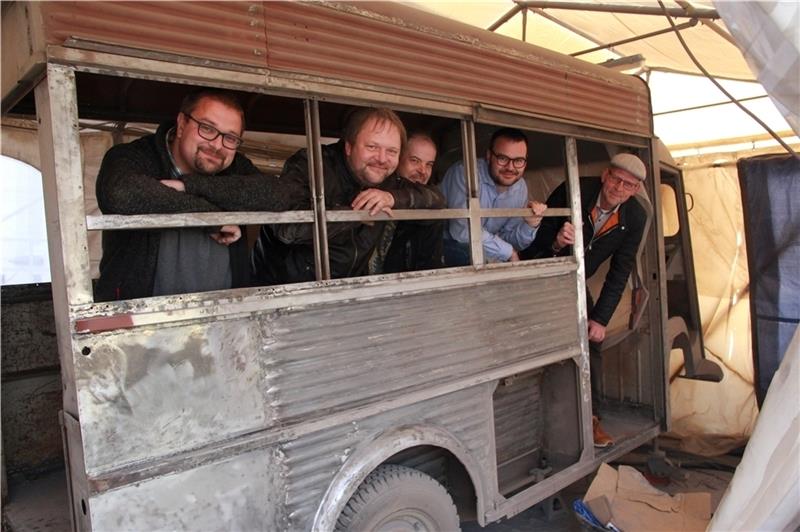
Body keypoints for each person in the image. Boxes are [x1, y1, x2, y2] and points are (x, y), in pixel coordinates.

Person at [95, 89, 293, 301]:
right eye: (207, 128)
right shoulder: (135, 156)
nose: (217, 145)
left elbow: (278, 195)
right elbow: (120, 192)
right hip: (143, 318)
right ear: (181, 124)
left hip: (226, 316)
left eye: (231, 138)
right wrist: (212, 219)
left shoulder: (236, 167)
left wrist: (189, 186)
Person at [521, 152, 648, 447]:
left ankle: (591, 419)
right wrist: (556, 242)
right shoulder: (575, 188)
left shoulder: (636, 216)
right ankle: (533, 421)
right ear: (605, 175)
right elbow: (531, 242)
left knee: (592, 341)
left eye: (628, 185)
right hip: (541, 276)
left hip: (574, 284)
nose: (619, 187)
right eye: (616, 178)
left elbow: (621, 270)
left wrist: (601, 319)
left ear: (636, 190)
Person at [251, 108, 444, 283]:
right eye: (372, 147)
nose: (382, 159)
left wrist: (393, 198)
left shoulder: (389, 181)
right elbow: (287, 228)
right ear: (349, 147)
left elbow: (437, 199)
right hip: (281, 288)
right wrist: (356, 214)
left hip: (345, 288)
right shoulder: (312, 164)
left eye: (392, 151)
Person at [440, 127, 546, 265]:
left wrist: (530, 225)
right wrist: (508, 252)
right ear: (489, 156)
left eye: (518, 161)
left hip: (485, 255)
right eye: (502, 158)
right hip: (445, 248)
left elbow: (510, 242)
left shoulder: (520, 187)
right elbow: (462, 232)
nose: (510, 167)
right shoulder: (465, 173)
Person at [377, 132, 444, 273]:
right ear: (398, 159)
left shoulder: (431, 199)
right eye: (414, 160)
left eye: (429, 165)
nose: (423, 171)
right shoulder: (379, 188)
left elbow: (431, 264)